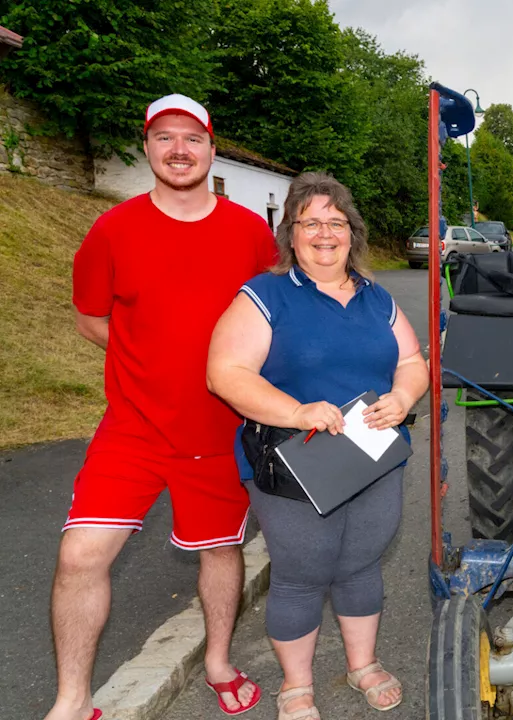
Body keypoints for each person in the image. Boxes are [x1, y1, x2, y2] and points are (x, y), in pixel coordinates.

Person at [50, 94, 273, 720]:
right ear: (147, 147)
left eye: (192, 138)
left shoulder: (249, 231)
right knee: (79, 556)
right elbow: (90, 316)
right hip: (135, 428)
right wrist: (149, 356)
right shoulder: (114, 229)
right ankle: (73, 702)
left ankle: (219, 661)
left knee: (220, 550)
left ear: (210, 146)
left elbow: (275, 316)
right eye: (165, 138)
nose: (180, 149)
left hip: (221, 430)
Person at [207, 172, 428, 719]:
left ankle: (363, 665)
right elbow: (226, 372)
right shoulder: (266, 294)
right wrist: (296, 411)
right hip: (293, 460)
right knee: (302, 570)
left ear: (352, 233)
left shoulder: (376, 298)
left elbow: (411, 363)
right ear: (291, 233)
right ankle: (297, 685)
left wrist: (402, 398)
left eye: (336, 223)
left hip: (371, 456)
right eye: (311, 223)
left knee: (361, 563)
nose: (324, 233)